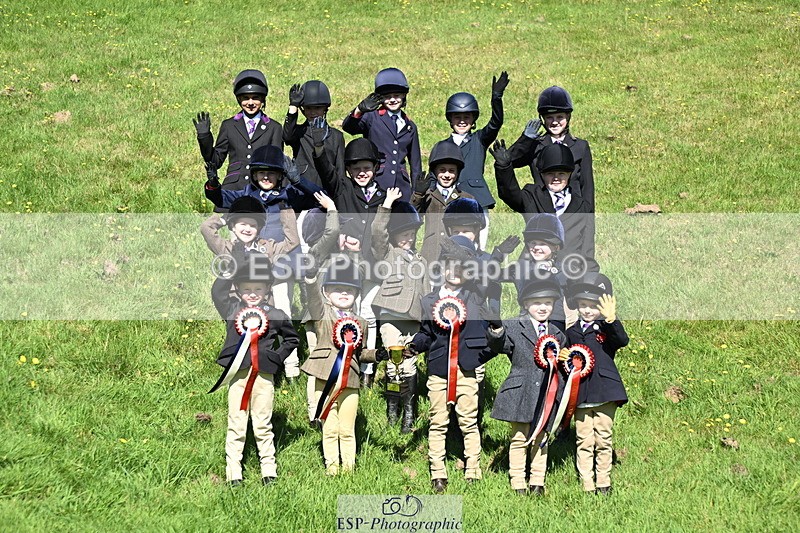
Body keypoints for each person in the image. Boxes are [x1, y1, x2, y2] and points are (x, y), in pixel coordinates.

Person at [407, 236, 492, 493]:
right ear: (442, 268)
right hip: (439, 370)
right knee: (438, 421)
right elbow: (426, 334)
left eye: (461, 268)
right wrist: (413, 346)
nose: (455, 272)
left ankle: (473, 469)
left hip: (466, 369)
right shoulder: (429, 300)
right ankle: (438, 472)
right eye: (450, 266)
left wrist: (464, 256)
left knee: (469, 420)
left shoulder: (475, 295)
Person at [210, 259, 300, 486]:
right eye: (247, 288)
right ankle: (233, 471)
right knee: (236, 421)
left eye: (258, 288)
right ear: (238, 289)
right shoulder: (232, 309)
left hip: (264, 375)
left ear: (268, 288)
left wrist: (276, 358)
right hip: (238, 373)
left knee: (263, 422)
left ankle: (268, 470)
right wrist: (229, 271)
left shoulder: (275, 314)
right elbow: (218, 292)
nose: (252, 293)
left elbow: (292, 338)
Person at [312, 135, 388, 387]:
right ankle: (344, 359)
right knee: (350, 311)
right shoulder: (343, 188)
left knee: (368, 314)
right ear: (349, 171)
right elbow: (327, 173)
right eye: (356, 168)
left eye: (366, 167)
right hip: (347, 265)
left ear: (375, 168)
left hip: (373, 266)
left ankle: (367, 369)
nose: (362, 173)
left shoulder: (384, 196)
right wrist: (320, 149)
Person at [483, 278, 567, 495]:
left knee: (541, 438)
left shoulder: (557, 334)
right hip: (520, 391)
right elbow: (501, 346)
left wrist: (560, 393)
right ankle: (517, 480)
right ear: (526, 304)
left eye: (548, 303)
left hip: (546, 393)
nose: (542, 307)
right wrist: (496, 329)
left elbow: (561, 366)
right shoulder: (513, 326)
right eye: (537, 303)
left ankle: (538, 481)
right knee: (519, 438)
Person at [301, 259, 376, 475]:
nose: (344, 293)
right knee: (330, 427)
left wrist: (377, 354)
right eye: (337, 289)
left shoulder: (361, 322)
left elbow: (361, 353)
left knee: (347, 428)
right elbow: (313, 298)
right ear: (326, 293)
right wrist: (311, 279)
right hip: (324, 377)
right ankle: (332, 467)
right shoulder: (322, 313)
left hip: (350, 380)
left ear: (357, 294)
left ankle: (349, 469)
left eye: (349, 290)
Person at [370, 189, 429, 432]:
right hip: (392, 317)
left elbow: (426, 291)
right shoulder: (388, 254)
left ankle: (409, 412)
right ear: (394, 236)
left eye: (412, 234)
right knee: (394, 366)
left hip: (413, 320)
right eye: (404, 234)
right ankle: (392, 409)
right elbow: (377, 233)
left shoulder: (422, 261)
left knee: (409, 366)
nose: (409, 239)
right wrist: (386, 205)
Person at [565, 272, 628, 495]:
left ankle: (603, 481)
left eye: (593, 306)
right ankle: (586, 482)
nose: (587, 310)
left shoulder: (605, 328)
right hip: (581, 392)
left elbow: (622, 341)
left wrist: (611, 320)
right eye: (583, 305)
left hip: (605, 390)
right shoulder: (571, 332)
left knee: (603, 438)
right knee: (584, 439)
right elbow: (568, 359)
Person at [491, 140, 597, 273]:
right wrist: (504, 168)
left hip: (570, 271)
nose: (556, 178)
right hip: (533, 269)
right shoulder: (532, 196)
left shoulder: (582, 206)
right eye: (550, 174)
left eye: (561, 174)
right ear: (542, 175)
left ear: (570, 174)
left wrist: (590, 275)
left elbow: (587, 245)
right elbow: (510, 195)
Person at [438, 72, 509, 246]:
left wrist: (496, 98)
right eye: (457, 117)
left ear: (473, 119)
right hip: (451, 202)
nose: (462, 121)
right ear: (450, 119)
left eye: (466, 117)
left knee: (478, 247)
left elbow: (495, 123)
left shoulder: (479, 139)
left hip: (477, 200)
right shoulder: (443, 146)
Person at [193, 70, 283, 207]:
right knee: (214, 221)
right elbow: (215, 161)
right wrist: (204, 138)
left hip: (261, 191)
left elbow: (277, 163)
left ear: (263, 99)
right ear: (239, 99)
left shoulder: (274, 127)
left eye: (255, 97)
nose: (250, 102)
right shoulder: (228, 125)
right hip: (233, 189)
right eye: (246, 98)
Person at [506, 85, 595, 210]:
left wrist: (588, 218)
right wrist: (525, 140)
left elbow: (587, 187)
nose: (554, 122)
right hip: (543, 208)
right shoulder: (535, 145)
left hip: (573, 210)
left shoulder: (580, 146)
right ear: (543, 119)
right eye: (549, 117)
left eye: (560, 117)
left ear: (568, 117)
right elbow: (508, 162)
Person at [342, 68, 422, 200]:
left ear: (404, 95)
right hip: (378, 181)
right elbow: (349, 127)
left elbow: (415, 163)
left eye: (397, 95)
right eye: (387, 96)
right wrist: (359, 110)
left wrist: (417, 193)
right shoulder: (372, 117)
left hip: (401, 186)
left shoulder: (410, 126)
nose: (392, 100)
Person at [412, 141, 474, 266]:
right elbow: (412, 217)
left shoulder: (466, 198)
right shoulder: (427, 196)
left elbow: (474, 230)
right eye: (442, 170)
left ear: (457, 173)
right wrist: (418, 195)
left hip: (457, 258)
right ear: (435, 171)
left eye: (451, 171)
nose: (446, 175)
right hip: (430, 255)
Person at [283, 80, 345, 188]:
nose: (312, 112)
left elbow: (340, 169)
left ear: (325, 108)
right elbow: (287, 137)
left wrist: (341, 193)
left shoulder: (336, 136)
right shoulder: (299, 133)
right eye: (308, 108)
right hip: (303, 188)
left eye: (317, 108)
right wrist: (293, 106)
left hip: (328, 189)